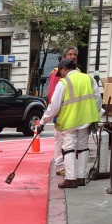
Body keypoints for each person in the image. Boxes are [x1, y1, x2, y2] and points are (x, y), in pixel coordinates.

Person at [39, 58, 101, 188]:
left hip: (70, 121)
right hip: (86, 119)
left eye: (60, 72)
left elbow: (54, 106)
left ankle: (70, 178)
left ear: (64, 69)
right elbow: (97, 99)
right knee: (83, 147)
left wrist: (43, 122)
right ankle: (81, 177)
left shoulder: (64, 83)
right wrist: (93, 113)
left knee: (68, 148)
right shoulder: (88, 79)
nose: (60, 75)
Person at [46, 46, 78, 177]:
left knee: (71, 142)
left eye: (75, 54)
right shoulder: (56, 73)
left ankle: (68, 166)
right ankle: (59, 166)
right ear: (64, 57)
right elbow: (52, 94)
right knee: (60, 141)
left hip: (74, 113)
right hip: (62, 113)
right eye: (70, 54)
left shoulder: (78, 72)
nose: (73, 56)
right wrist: (54, 112)